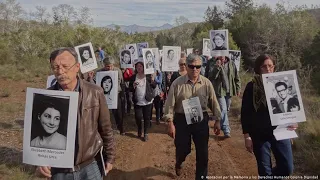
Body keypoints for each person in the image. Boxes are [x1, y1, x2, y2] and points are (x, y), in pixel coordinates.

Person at [36, 47, 114, 179]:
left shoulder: (95, 92)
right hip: (59, 170)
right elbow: (38, 133)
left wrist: (110, 157)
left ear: (77, 67)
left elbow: (106, 128)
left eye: (65, 66)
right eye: (55, 67)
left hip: (90, 166)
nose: (60, 72)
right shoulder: (45, 97)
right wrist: (39, 161)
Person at [164, 54, 221, 180]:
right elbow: (169, 105)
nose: (195, 69)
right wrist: (170, 123)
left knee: (203, 154)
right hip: (182, 120)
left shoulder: (206, 83)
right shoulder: (177, 83)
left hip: (201, 120)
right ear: (187, 67)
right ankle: (179, 161)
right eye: (192, 66)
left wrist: (217, 120)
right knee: (182, 149)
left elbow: (214, 102)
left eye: (198, 66)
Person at [240, 54, 298, 176]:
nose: (268, 69)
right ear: (258, 68)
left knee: (287, 168)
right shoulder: (252, 86)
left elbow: (291, 108)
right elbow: (245, 113)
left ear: (274, 67)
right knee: (265, 171)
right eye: (264, 66)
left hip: (281, 131)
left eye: (270, 66)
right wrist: (247, 136)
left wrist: (293, 121)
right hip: (259, 134)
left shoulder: (283, 82)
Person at [205, 55, 240, 138]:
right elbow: (211, 77)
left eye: (223, 55)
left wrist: (238, 88)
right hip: (218, 90)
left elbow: (236, 76)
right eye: (220, 55)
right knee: (223, 109)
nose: (222, 57)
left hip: (229, 90)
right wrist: (217, 67)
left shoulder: (231, 63)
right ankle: (226, 129)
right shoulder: (212, 63)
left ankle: (219, 121)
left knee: (226, 109)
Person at [98, 56, 125, 135]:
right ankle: (106, 130)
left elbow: (122, 83)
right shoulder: (100, 72)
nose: (109, 68)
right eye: (107, 66)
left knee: (118, 113)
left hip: (116, 95)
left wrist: (122, 95)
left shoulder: (118, 71)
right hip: (104, 96)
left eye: (111, 66)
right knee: (104, 113)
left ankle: (121, 128)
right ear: (104, 65)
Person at [129, 61, 156, 141]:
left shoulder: (148, 76)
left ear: (144, 67)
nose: (139, 68)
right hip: (138, 101)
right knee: (138, 117)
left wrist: (152, 80)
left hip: (147, 101)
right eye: (138, 66)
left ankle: (146, 133)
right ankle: (139, 129)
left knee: (146, 117)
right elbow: (130, 89)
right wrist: (133, 86)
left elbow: (154, 86)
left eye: (141, 66)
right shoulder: (133, 77)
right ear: (136, 68)